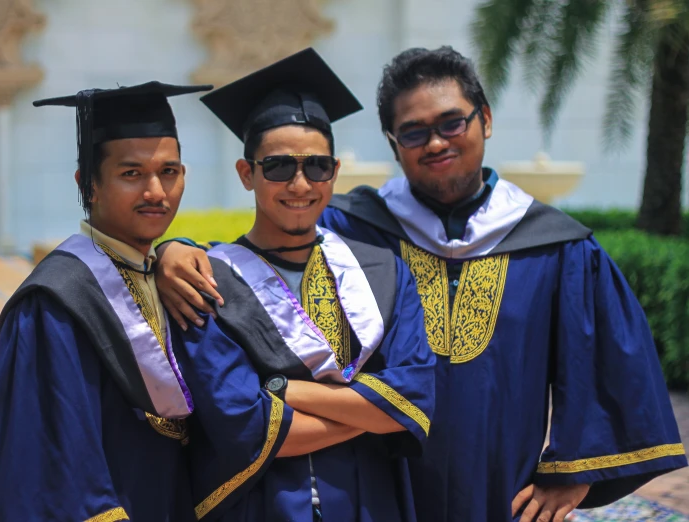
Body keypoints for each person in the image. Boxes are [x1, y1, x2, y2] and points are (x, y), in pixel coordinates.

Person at [156, 47, 688, 522]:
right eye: (413, 132)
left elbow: (600, 360)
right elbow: (266, 253)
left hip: (502, 488)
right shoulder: (354, 227)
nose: (435, 142)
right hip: (379, 486)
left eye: (452, 123)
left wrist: (574, 471)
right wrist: (173, 250)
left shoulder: (556, 245)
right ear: (393, 143)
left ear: (485, 120)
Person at [167, 48, 435, 522]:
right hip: (260, 506)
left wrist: (280, 389)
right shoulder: (207, 280)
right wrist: (371, 413)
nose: (299, 183)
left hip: (369, 504)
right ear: (247, 174)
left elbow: (414, 400)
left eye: (316, 166)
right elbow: (242, 424)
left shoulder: (385, 273)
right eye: (277, 167)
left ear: (333, 173)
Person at [0, 81, 211, 522]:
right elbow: (52, 466)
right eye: (131, 174)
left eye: (169, 172)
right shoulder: (55, 302)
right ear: (89, 184)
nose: (156, 191)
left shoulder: (170, 275)